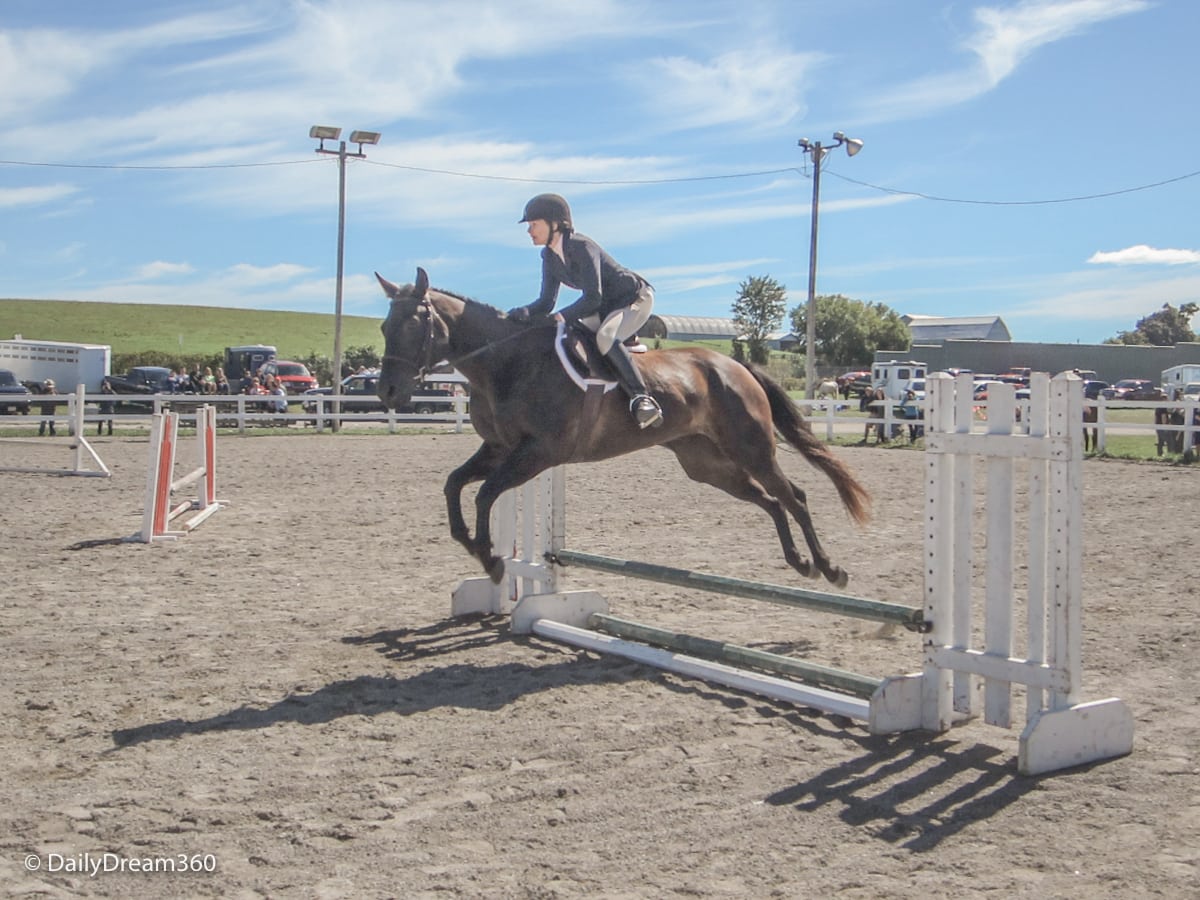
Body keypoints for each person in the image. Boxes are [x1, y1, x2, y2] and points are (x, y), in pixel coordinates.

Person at [507, 193, 663, 429]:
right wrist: (522, 314)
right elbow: (546, 302)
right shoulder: (548, 256)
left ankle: (642, 399)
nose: (529, 231)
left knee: (605, 336)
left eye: (534, 224)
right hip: (603, 308)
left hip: (633, 299)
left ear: (555, 224)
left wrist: (559, 317)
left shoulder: (582, 246)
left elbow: (592, 297)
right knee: (572, 337)